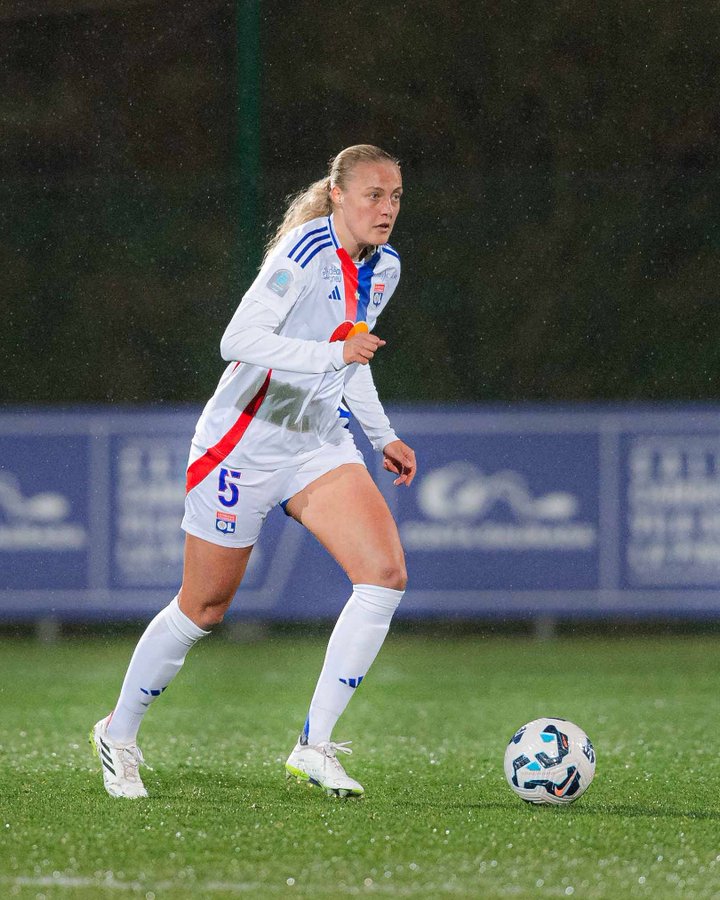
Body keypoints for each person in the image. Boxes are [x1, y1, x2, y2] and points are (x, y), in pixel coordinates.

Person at [91, 144, 416, 800]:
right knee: (204, 608)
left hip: (316, 443)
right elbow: (237, 341)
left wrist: (383, 435)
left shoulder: (385, 269)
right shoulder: (301, 253)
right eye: (374, 195)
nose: (387, 209)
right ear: (339, 196)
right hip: (241, 445)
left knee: (384, 577)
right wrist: (331, 355)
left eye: (396, 197)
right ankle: (118, 733)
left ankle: (314, 746)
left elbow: (353, 356)